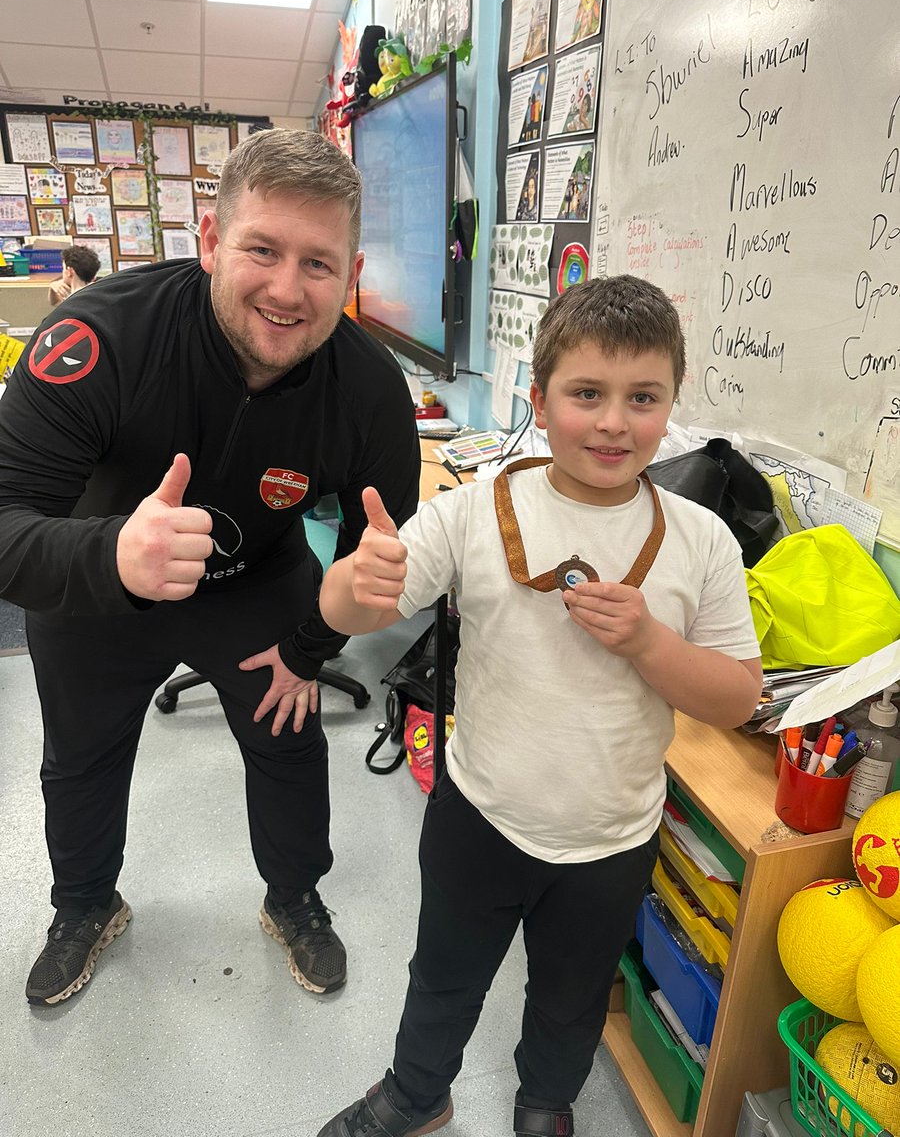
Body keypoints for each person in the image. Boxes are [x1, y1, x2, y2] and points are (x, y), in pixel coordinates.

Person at [316, 275, 762, 1137]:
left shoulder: (701, 539)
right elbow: (355, 612)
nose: (612, 422)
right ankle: (417, 1094)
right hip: (480, 813)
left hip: (612, 834)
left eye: (643, 398)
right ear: (540, 398)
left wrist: (650, 645)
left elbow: (738, 697)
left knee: (570, 997)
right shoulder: (477, 511)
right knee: (443, 975)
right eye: (586, 393)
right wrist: (348, 584)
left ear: (671, 406)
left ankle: (545, 1102)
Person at [0, 128, 420, 1007]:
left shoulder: (371, 391)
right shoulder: (98, 336)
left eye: (318, 264)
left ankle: (295, 897)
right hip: (96, 584)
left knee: (288, 739)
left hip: (258, 587)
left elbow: (368, 560)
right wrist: (110, 552)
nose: (286, 289)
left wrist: (312, 642)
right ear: (212, 239)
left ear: (350, 273)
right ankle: (83, 904)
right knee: (80, 757)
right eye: (262, 249)